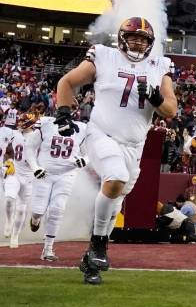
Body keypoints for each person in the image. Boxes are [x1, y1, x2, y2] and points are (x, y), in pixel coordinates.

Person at [56, 17, 177, 284]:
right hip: (102, 133)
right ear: (122, 37)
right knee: (115, 178)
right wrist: (63, 113)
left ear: (150, 43)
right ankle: (98, 243)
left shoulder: (159, 65)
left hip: (134, 145)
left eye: (143, 39)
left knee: (115, 203)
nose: (137, 42)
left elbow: (171, 110)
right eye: (133, 37)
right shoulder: (103, 56)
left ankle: (91, 261)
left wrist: (155, 98)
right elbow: (66, 82)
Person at [25, 111, 88, 260]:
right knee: (38, 210)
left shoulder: (81, 128)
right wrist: (35, 168)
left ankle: (48, 249)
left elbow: (91, 151)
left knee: (57, 208)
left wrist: (86, 159)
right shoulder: (47, 123)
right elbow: (29, 147)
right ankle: (35, 220)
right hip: (45, 172)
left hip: (67, 174)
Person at [3, 112, 43, 248]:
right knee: (9, 198)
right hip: (15, 172)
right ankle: (8, 221)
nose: (19, 123)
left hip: (30, 176)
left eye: (23, 121)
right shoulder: (14, 134)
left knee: (21, 209)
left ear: (29, 123)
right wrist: (9, 160)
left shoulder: (38, 136)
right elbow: (7, 150)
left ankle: (15, 236)